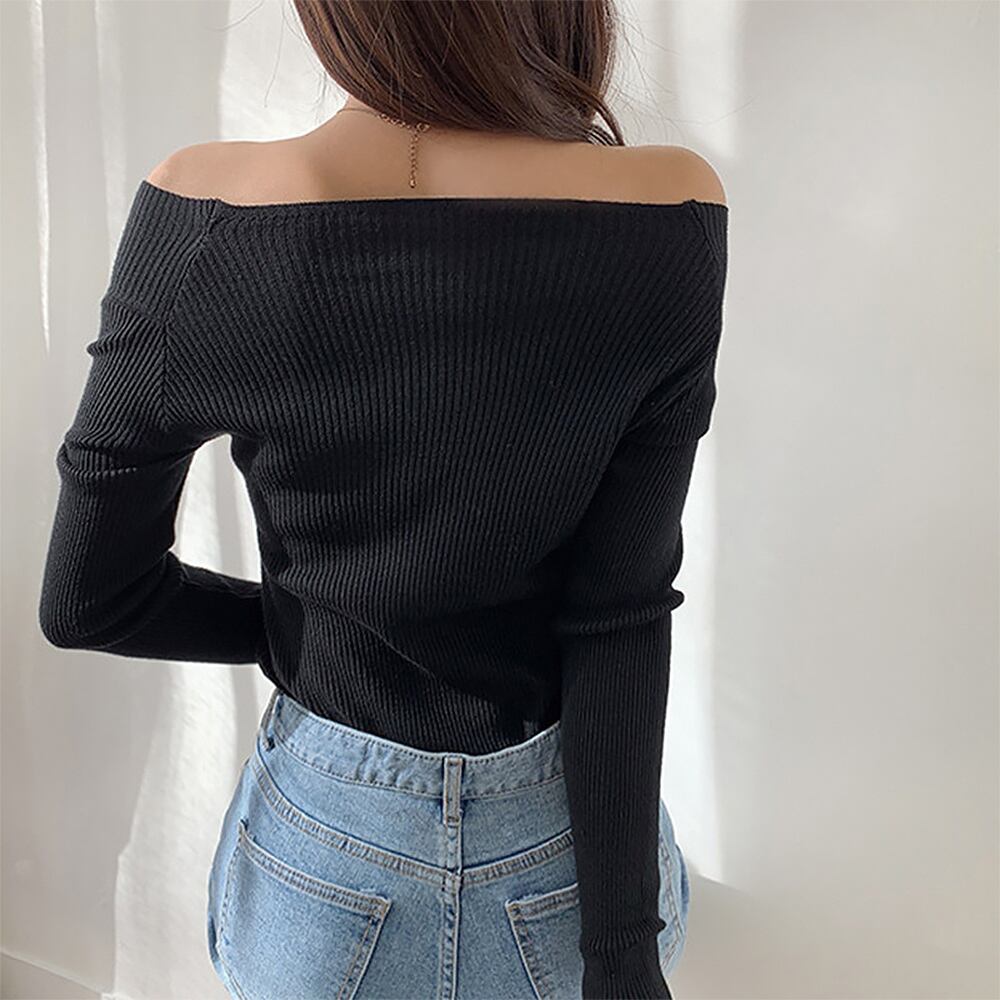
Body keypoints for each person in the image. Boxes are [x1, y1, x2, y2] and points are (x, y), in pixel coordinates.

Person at [37, 1, 728, 997]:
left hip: (324, 861)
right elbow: (618, 612)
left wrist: (314, 629)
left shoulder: (207, 211)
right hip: (567, 859)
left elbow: (91, 601)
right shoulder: (670, 208)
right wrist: (619, 953)